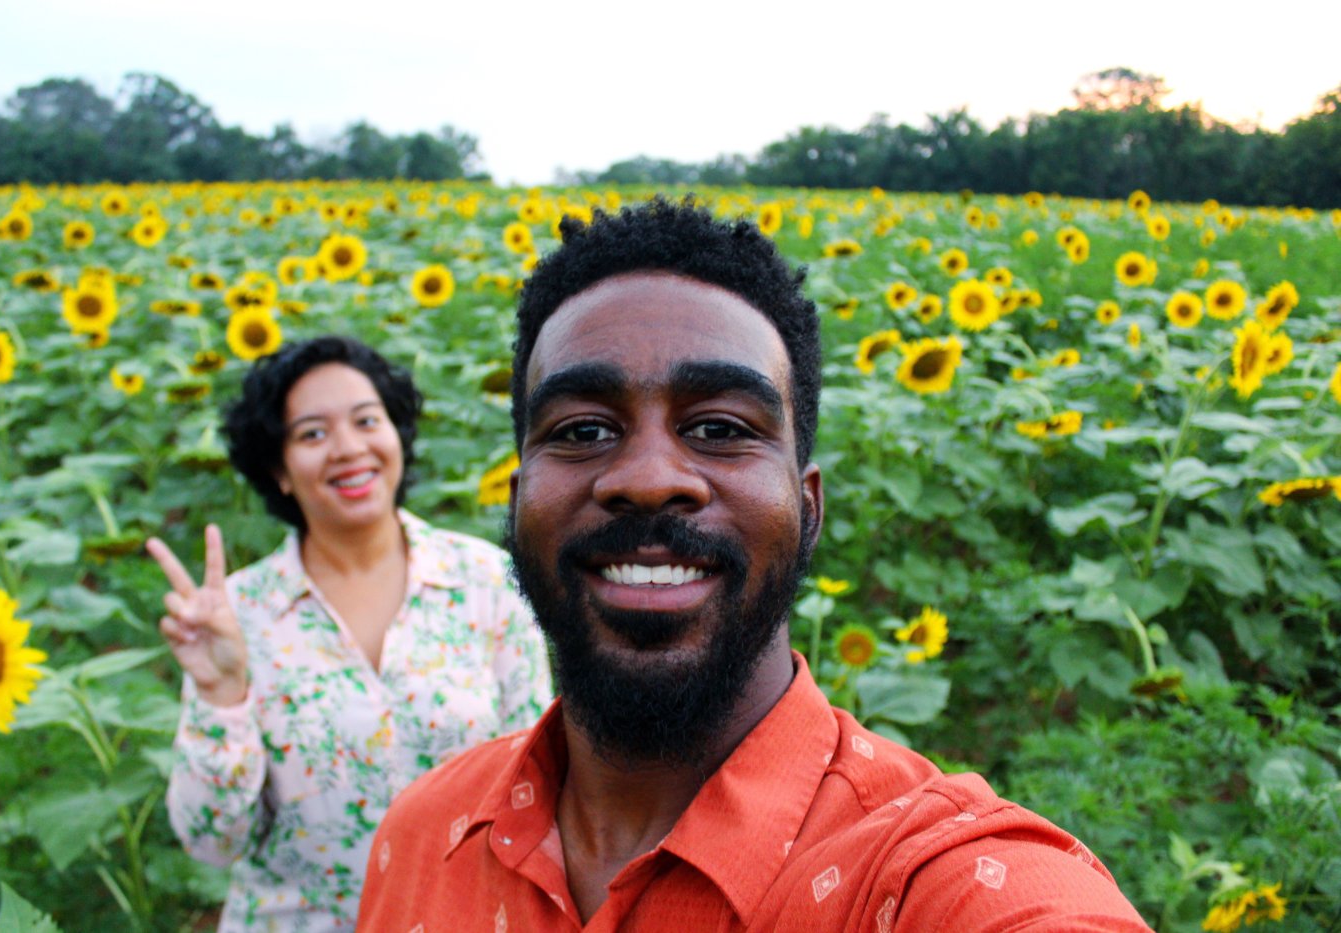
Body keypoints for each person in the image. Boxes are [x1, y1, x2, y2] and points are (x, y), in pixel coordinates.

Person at [357, 201, 1151, 931]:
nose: (648, 477)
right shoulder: (426, 832)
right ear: (518, 493)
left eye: (720, 426)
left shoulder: (922, 876)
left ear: (808, 506)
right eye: (584, 430)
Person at [146, 335, 552, 932]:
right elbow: (210, 843)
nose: (348, 448)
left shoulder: (487, 581)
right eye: (312, 434)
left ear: (397, 436)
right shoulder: (237, 616)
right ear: (279, 470)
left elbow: (539, 786)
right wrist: (221, 694)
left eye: (367, 420)